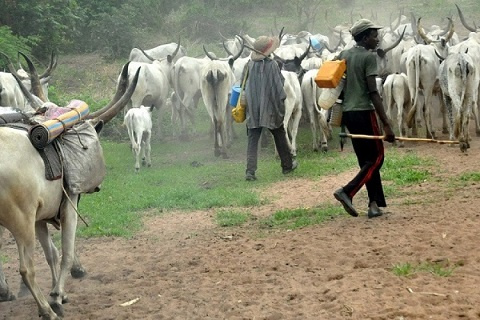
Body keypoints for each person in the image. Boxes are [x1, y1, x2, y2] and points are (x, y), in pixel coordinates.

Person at [333, 19, 395, 218]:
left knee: (365, 161)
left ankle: (374, 205)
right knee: (377, 157)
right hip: (364, 112)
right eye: (374, 35)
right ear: (366, 37)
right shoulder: (369, 58)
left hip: (349, 114)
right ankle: (348, 191)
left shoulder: (344, 55)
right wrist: (386, 124)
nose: (377, 39)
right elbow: (373, 92)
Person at [241, 35, 297, 181]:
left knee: (253, 139)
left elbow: (243, 84)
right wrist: (281, 101)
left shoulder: (249, 65)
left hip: (253, 109)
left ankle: (250, 171)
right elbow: (279, 86)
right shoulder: (272, 65)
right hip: (270, 108)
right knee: (279, 134)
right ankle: (287, 165)